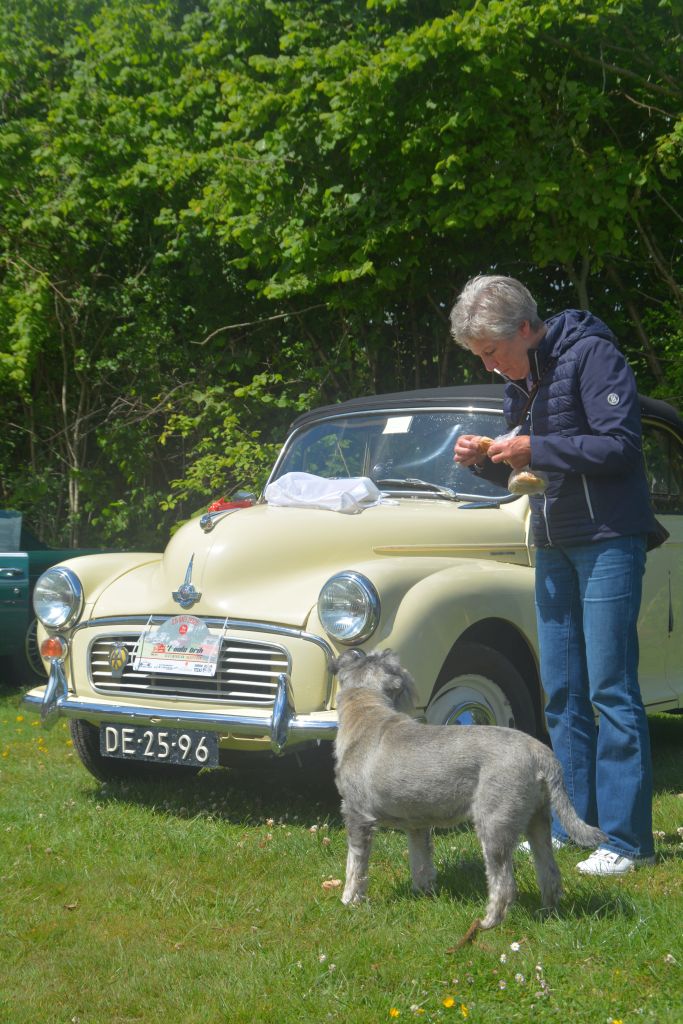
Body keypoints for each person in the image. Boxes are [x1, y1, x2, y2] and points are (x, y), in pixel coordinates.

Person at [450, 274, 656, 876]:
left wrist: (537, 446)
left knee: (610, 689)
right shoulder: (522, 379)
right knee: (562, 692)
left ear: (523, 327)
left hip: (608, 540)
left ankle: (624, 840)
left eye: (491, 352)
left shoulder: (593, 354)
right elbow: (531, 476)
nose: (490, 367)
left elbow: (620, 446)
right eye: (480, 357)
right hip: (554, 541)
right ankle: (573, 826)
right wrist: (487, 463)